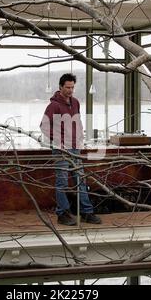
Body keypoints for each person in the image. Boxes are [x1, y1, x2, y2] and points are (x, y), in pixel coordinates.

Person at [40, 73, 101, 226]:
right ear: (60, 87)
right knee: (62, 182)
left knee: (80, 181)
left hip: (76, 148)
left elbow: (77, 122)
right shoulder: (54, 105)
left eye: (72, 87)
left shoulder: (75, 102)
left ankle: (87, 212)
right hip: (61, 150)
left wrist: (81, 138)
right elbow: (44, 126)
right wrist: (58, 142)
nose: (70, 90)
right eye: (67, 87)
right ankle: (63, 214)